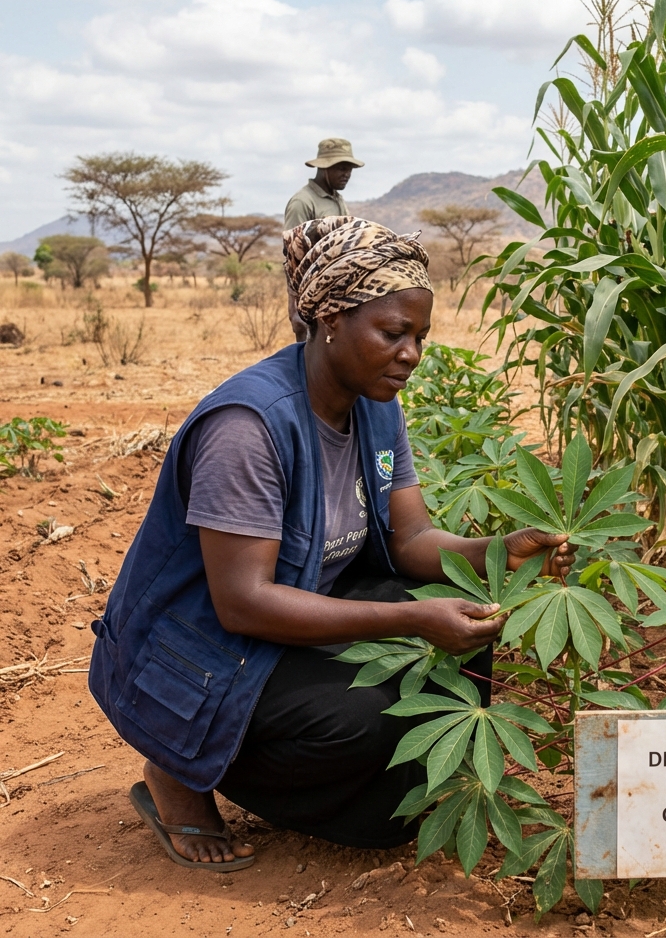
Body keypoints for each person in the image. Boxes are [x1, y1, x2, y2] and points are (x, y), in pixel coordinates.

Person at [88, 215, 576, 872]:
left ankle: (402, 794)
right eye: (393, 334)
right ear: (331, 318)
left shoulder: (375, 402)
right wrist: (410, 619)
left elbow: (414, 539)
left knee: (463, 627)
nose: (411, 354)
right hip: (204, 650)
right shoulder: (248, 428)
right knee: (365, 721)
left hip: (301, 604)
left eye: (419, 337)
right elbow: (243, 603)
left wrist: (500, 549)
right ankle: (179, 768)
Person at [284, 138, 364, 341]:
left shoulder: (337, 199)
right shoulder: (302, 202)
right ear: (324, 168)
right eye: (341, 168)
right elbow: (292, 256)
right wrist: (295, 308)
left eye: (350, 169)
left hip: (334, 291)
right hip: (310, 296)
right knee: (312, 358)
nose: (347, 174)